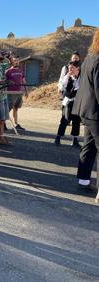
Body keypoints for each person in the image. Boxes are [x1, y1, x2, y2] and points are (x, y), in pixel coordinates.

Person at [71, 29, 99, 203]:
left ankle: (83, 180)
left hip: (85, 110)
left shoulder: (89, 58)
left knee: (89, 145)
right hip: (95, 112)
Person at [54, 61, 81, 148]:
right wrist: (68, 77)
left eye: (72, 68)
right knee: (64, 120)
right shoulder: (67, 76)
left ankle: (75, 140)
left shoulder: (82, 78)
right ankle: (58, 137)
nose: (70, 70)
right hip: (68, 101)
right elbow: (61, 87)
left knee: (76, 121)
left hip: (77, 102)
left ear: (78, 68)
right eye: (69, 68)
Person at [6, 55, 26, 131]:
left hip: (19, 93)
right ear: (11, 61)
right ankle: (2, 124)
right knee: (7, 109)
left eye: (17, 60)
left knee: (16, 108)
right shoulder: (8, 71)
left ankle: (16, 124)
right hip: (11, 93)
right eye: (15, 60)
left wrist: (26, 91)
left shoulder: (21, 71)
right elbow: (5, 81)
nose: (16, 62)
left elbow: (24, 81)